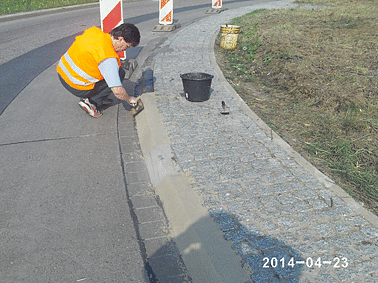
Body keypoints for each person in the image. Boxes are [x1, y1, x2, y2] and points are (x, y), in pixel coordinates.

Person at [57, 23, 141, 117]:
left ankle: (100, 97)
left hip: (62, 72)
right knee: (120, 74)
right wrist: (129, 99)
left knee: (115, 72)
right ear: (121, 39)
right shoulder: (108, 58)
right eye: (126, 46)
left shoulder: (95, 32)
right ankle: (92, 102)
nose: (124, 50)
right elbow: (117, 91)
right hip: (74, 85)